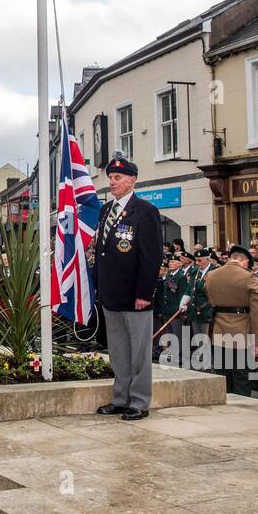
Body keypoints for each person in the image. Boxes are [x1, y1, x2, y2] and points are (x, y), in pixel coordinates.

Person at [93, 156, 162, 420]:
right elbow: (103, 253)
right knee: (118, 352)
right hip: (111, 295)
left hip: (136, 297)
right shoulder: (106, 211)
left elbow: (151, 256)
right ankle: (120, 398)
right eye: (111, 178)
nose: (112, 182)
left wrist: (145, 293)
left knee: (139, 354)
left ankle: (139, 402)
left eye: (118, 178)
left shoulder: (145, 211)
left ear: (132, 180)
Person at [204, 245, 258, 396]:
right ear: (244, 261)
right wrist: (257, 342)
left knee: (223, 377)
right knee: (241, 379)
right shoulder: (249, 276)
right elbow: (257, 312)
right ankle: (241, 414)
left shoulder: (212, 275)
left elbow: (210, 299)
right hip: (241, 334)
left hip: (218, 332)